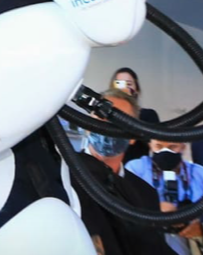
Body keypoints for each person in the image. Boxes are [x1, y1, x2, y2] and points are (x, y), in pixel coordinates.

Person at [71, 89, 174, 255]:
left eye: (117, 122)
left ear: (133, 136)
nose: (107, 127)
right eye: (100, 118)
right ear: (88, 126)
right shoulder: (64, 173)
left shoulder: (146, 194)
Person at [127, 139, 203, 255]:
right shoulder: (136, 169)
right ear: (150, 145)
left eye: (173, 147)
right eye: (159, 146)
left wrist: (199, 227)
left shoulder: (198, 174)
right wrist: (155, 208)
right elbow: (125, 205)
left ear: (183, 146)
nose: (165, 151)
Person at [110, 68, 160, 162]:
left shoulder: (147, 115)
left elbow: (155, 145)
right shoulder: (106, 115)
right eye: (119, 84)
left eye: (129, 84)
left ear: (136, 89)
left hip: (136, 172)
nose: (124, 88)